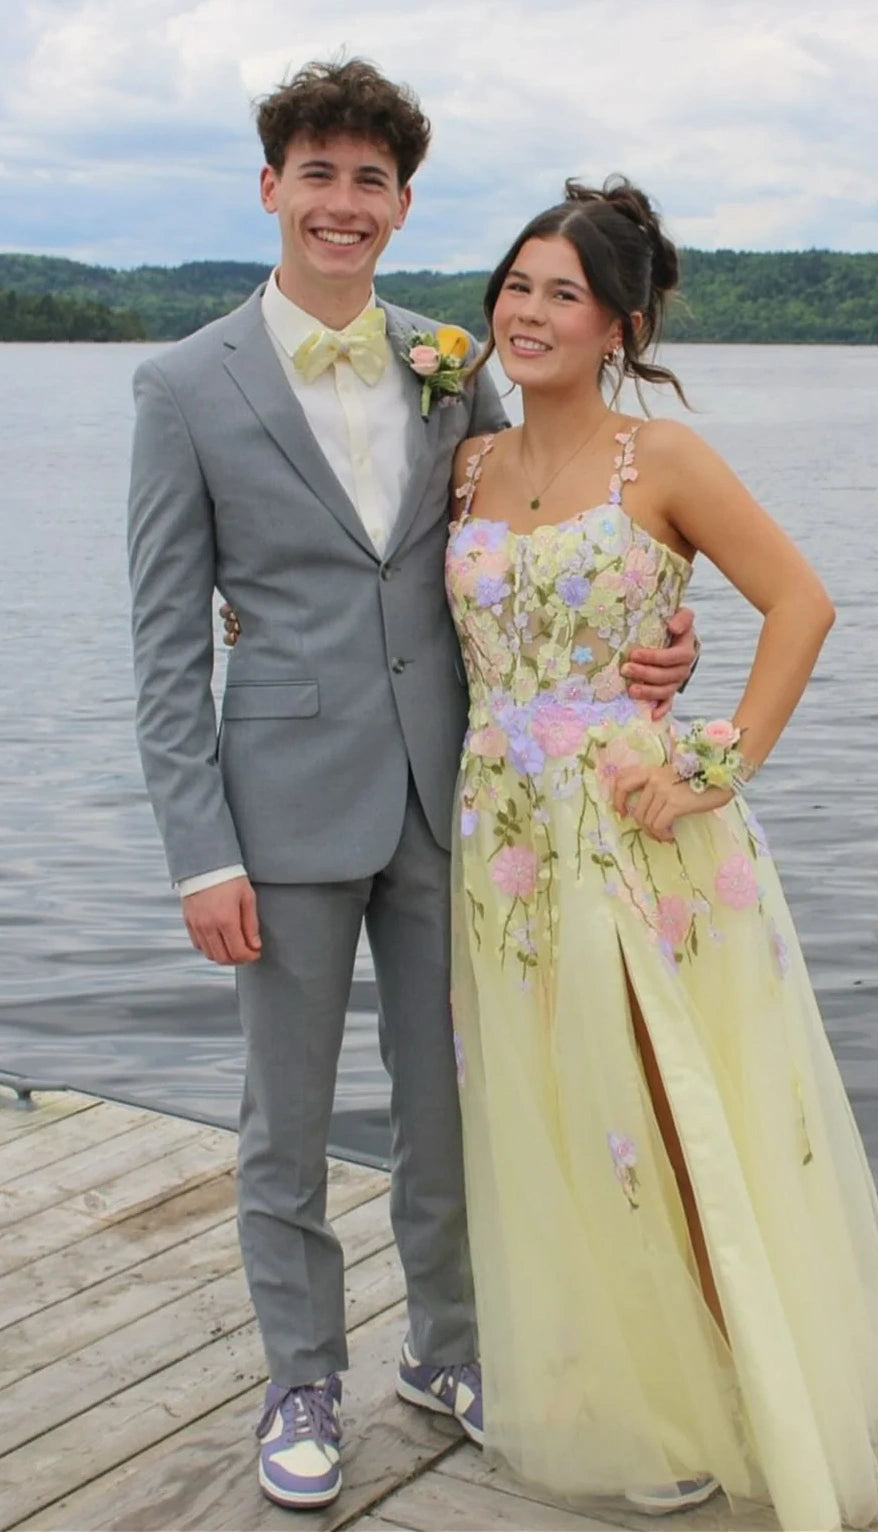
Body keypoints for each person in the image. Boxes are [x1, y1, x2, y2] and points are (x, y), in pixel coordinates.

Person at [126, 61, 697, 1510]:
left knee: (450, 1104)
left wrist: (659, 633)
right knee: (288, 1120)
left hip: (459, 799)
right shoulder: (183, 385)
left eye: (369, 180)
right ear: (272, 188)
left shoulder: (448, 360)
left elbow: (529, 525)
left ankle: (449, 1351)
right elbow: (164, 643)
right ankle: (302, 1378)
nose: (342, 202)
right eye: (317, 174)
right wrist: (201, 852)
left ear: (400, 204)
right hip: (280, 811)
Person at [444, 178, 878, 1528]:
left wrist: (711, 765)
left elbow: (800, 604)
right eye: (516, 286)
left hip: (631, 829)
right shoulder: (466, 464)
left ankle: (747, 1392)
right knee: (562, 1110)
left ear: (618, 324)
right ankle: (633, 1396)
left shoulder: (657, 460)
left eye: (563, 294)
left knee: (672, 1110)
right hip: (502, 840)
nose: (529, 312)